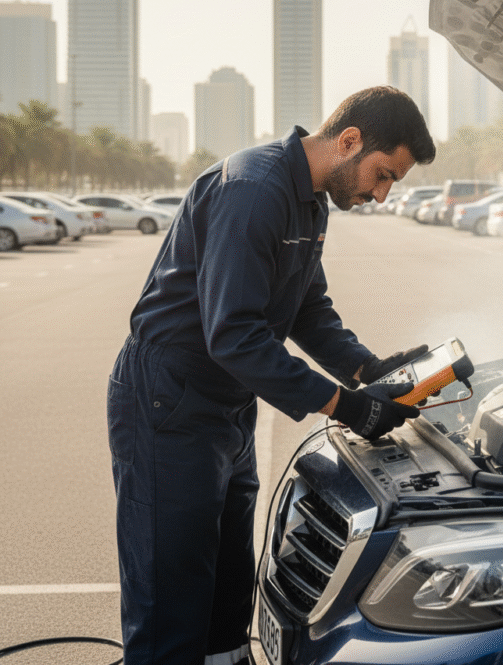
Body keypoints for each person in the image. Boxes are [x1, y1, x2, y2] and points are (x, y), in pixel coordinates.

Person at [107, 85, 436, 665]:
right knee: (173, 601)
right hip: (171, 401)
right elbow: (233, 333)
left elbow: (306, 308)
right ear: (350, 141)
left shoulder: (308, 199)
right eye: (383, 175)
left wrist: (368, 369)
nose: (382, 195)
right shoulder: (255, 191)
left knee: (228, 589)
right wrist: (345, 405)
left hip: (227, 404)